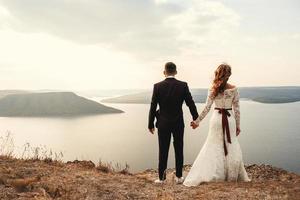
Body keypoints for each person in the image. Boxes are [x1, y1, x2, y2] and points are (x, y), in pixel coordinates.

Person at [184, 63, 250, 187]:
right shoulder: (234, 89)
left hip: (216, 120)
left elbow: (207, 108)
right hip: (229, 120)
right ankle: (230, 174)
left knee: (213, 146)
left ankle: (215, 173)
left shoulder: (213, 88)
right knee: (231, 145)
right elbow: (237, 110)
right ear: (229, 75)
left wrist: (197, 122)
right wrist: (238, 125)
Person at [148, 62, 199, 184]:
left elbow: (153, 106)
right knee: (179, 148)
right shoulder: (183, 85)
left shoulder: (157, 86)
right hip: (178, 123)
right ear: (175, 72)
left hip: (163, 123)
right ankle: (179, 177)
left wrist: (150, 124)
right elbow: (190, 103)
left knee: (163, 150)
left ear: (164, 72)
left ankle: (161, 178)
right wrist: (196, 119)